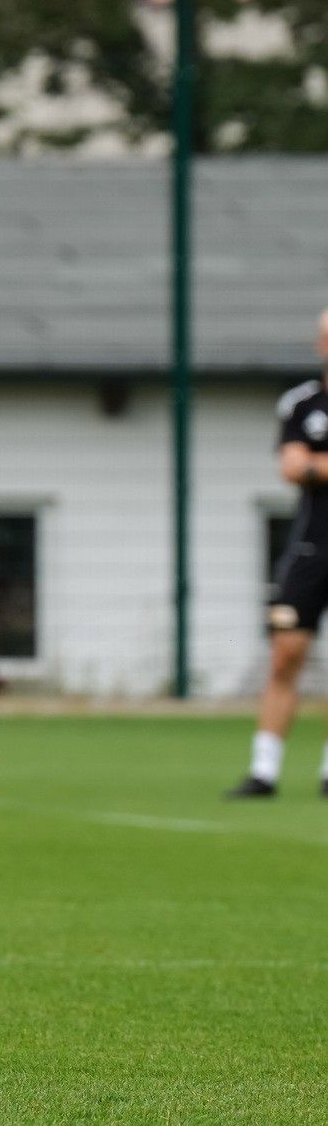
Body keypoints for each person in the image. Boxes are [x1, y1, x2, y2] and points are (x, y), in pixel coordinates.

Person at [228, 309, 328, 798]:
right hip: (312, 548)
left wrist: (317, 463)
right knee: (286, 654)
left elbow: (309, 464)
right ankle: (264, 770)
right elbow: (291, 467)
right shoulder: (302, 404)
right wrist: (309, 466)